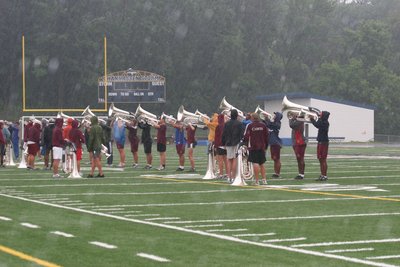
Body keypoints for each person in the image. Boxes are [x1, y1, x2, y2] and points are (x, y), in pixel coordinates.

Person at [243, 113, 268, 185]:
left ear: (252, 118)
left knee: (255, 163)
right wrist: (265, 146)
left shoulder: (250, 125)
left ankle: (257, 181)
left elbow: (246, 136)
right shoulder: (263, 125)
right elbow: (266, 136)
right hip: (262, 146)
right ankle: (264, 180)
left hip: (253, 147)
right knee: (262, 163)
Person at [222, 109, 243, 182]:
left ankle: (229, 177)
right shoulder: (239, 123)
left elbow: (224, 134)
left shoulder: (227, 123)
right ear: (237, 115)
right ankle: (233, 177)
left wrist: (223, 143)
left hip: (228, 143)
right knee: (235, 159)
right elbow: (241, 135)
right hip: (236, 143)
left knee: (229, 159)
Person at [310, 111, 330, 181]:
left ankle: (324, 175)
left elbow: (317, 125)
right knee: (320, 159)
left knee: (323, 159)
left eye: (321, 114)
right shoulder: (322, 121)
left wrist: (312, 119)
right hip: (320, 142)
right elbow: (318, 124)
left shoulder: (325, 123)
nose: (320, 114)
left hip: (324, 143)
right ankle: (322, 175)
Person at [265, 112, 283, 178]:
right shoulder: (273, 123)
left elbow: (269, 124)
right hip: (273, 143)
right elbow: (267, 124)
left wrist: (267, 119)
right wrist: (266, 119)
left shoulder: (277, 124)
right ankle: (276, 173)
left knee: (277, 159)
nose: (273, 116)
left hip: (276, 143)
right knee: (274, 159)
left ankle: (277, 173)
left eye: (275, 115)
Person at [289, 114, 307, 180]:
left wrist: (291, 118)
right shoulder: (299, 121)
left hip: (299, 142)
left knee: (300, 158)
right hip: (297, 142)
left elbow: (291, 125)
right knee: (299, 159)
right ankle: (300, 174)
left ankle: (301, 174)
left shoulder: (300, 120)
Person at [214, 114, 228, 179]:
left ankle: (221, 174)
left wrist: (216, 145)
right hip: (226, 145)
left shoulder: (218, 126)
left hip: (220, 145)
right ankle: (228, 173)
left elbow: (216, 137)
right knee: (226, 160)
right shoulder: (226, 125)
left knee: (220, 160)